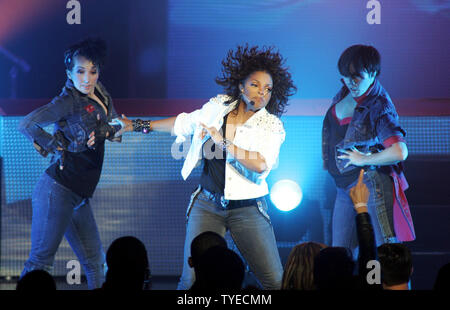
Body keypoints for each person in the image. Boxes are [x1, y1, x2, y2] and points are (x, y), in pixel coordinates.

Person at [118, 44, 297, 289]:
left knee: (275, 281)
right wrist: (135, 126)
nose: (261, 93)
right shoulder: (218, 106)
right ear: (241, 85)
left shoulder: (272, 125)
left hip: (247, 209)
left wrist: (223, 143)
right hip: (207, 204)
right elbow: (183, 123)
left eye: (268, 89)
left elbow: (261, 164)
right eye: (255, 85)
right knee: (190, 279)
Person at [18, 38, 123, 289]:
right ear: (69, 73)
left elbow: (117, 129)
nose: (87, 78)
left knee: (96, 262)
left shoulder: (101, 92)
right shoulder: (67, 101)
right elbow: (27, 124)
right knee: (40, 263)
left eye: (93, 71)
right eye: (80, 71)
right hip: (58, 190)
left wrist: (104, 131)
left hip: (79, 195)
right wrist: (54, 145)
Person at [322, 44, 415, 259]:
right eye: (345, 76)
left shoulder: (379, 106)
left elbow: (400, 151)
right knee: (339, 254)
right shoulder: (344, 91)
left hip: (371, 184)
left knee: (387, 253)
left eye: (357, 77)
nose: (351, 82)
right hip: (343, 186)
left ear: (373, 73)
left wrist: (364, 158)